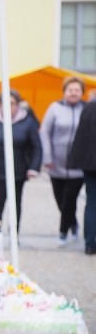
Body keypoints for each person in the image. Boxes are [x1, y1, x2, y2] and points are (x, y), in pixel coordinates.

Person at [40, 76, 86, 247]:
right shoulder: (55, 108)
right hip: (56, 165)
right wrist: (48, 157)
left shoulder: (87, 109)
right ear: (64, 91)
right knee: (61, 200)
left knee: (69, 199)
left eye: (77, 90)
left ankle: (63, 232)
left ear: (81, 92)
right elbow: (45, 132)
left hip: (78, 167)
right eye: (70, 90)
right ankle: (73, 223)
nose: (73, 93)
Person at [0, 89, 42, 230]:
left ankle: (14, 233)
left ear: (18, 105)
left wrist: (34, 167)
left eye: (12, 103)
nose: (8, 107)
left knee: (16, 203)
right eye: (4, 103)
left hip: (18, 170)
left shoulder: (28, 122)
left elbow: (36, 147)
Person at [69, 90, 96, 255]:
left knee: (91, 202)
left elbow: (80, 138)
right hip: (90, 165)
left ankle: (89, 242)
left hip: (90, 165)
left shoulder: (88, 109)